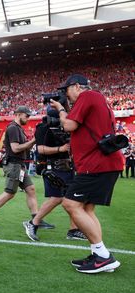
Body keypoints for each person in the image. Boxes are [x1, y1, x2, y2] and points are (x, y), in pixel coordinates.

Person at [50, 74, 123, 273]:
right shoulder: (97, 98)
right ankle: (98, 255)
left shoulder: (87, 96)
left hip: (96, 163)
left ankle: (103, 256)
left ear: (76, 87)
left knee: (70, 203)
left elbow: (69, 125)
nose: (66, 95)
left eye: (66, 91)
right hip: (103, 163)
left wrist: (62, 110)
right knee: (87, 210)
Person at [0, 106, 54, 229]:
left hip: (19, 165)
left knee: (31, 189)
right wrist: (34, 140)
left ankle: (36, 219)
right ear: (18, 114)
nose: (28, 118)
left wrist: (34, 142)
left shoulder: (18, 128)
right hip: (14, 164)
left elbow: (23, 148)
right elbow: (15, 148)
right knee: (10, 192)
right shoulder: (13, 128)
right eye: (27, 115)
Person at [23, 108, 86, 241]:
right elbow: (40, 149)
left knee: (72, 199)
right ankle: (34, 223)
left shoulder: (64, 126)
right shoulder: (42, 127)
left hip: (68, 167)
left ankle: (73, 230)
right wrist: (61, 149)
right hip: (53, 167)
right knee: (57, 198)